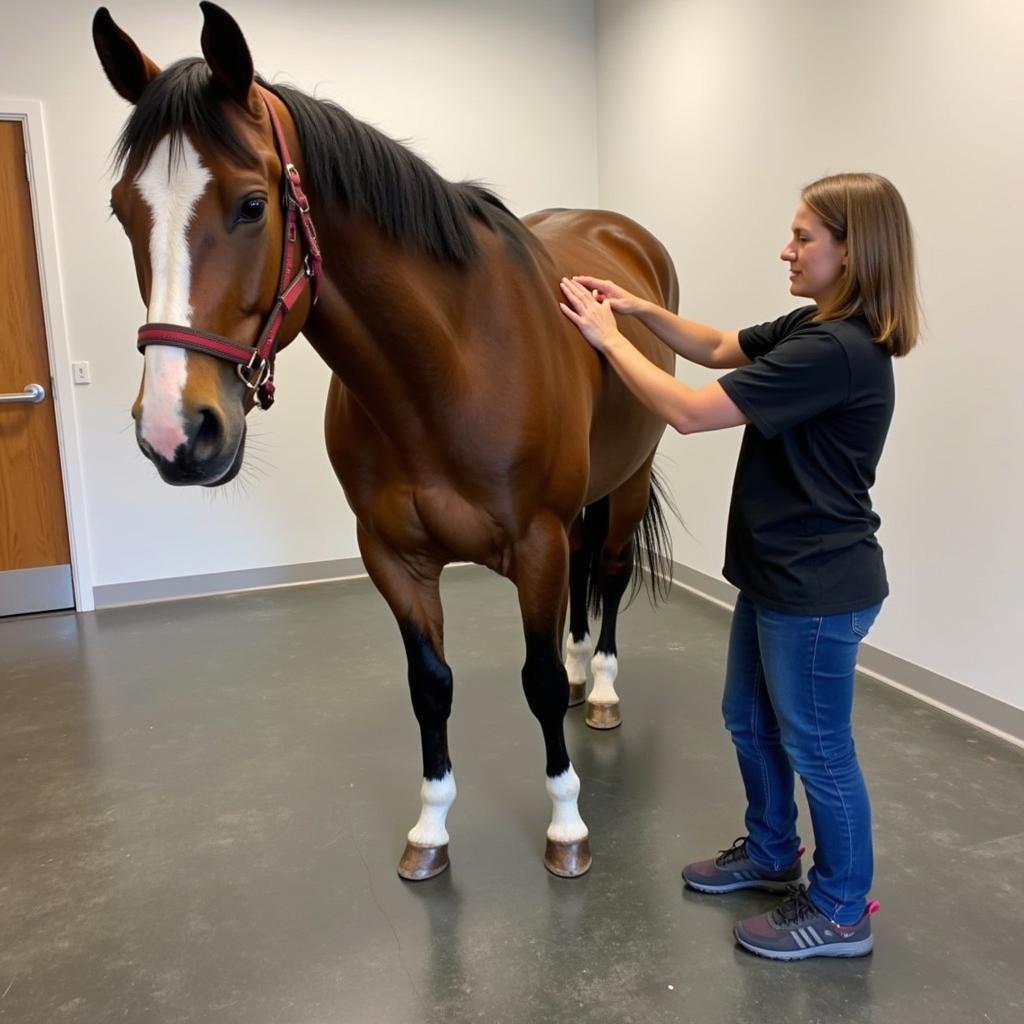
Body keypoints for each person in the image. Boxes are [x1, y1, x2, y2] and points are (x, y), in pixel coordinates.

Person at [558, 172, 919, 961]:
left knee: (819, 748)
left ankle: (841, 908)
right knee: (749, 720)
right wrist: (637, 308)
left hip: (821, 589)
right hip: (778, 576)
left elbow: (690, 413)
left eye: (803, 238)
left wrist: (607, 340)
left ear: (852, 252)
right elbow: (720, 346)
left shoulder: (838, 350)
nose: (785, 250)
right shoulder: (813, 324)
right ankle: (769, 851)